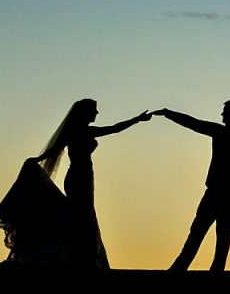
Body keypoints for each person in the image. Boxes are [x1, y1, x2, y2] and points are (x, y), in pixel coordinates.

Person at [38, 98, 154, 268]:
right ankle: (83, 259)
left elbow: (113, 129)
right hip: (80, 177)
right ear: (85, 112)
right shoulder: (79, 131)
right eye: (94, 110)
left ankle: (80, 257)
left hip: (81, 176)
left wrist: (137, 119)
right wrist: (136, 120)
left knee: (81, 217)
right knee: (83, 217)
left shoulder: (79, 131)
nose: (97, 113)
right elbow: (113, 129)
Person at [156, 99, 230, 271]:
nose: (222, 114)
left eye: (225, 110)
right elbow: (193, 123)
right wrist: (169, 113)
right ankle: (197, 266)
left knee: (209, 228)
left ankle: (189, 266)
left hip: (225, 189)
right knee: (217, 229)